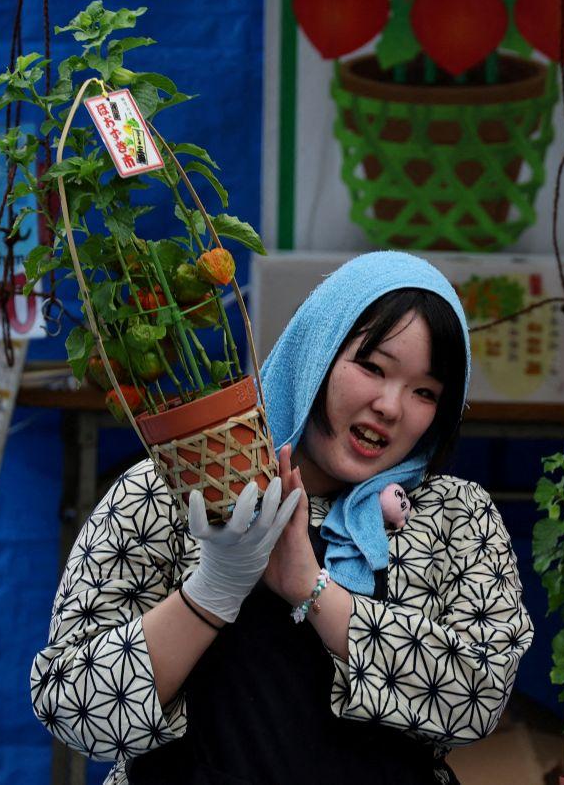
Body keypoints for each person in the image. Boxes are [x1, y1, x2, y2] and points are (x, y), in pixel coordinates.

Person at [31, 251, 534, 784]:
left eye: (425, 392)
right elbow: (71, 708)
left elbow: (478, 699)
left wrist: (312, 590)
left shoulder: (455, 516)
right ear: (314, 350)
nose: (391, 406)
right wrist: (210, 592)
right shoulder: (172, 489)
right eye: (372, 367)